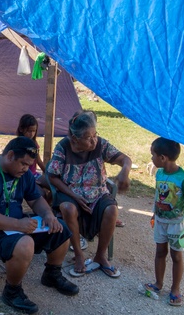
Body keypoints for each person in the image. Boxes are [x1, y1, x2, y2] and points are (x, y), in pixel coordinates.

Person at [0, 136, 78, 314]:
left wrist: (48, 214)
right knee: (25, 244)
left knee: (60, 228)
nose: (26, 169)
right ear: (10, 155)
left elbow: (35, 199)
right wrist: (18, 225)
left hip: (15, 224)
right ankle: (12, 291)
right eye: (23, 164)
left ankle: (52, 274)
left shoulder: (22, 173)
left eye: (29, 165)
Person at [46, 111, 132, 278]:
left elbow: (125, 159)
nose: (94, 140)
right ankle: (79, 254)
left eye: (95, 135)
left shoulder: (100, 145)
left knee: (112, 210)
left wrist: (125, 171)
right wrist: (73, 194)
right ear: (75, 139)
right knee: (68, 209)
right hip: (71, 192)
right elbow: (52, 176)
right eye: (88, 137)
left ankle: (100, 256)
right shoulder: (63, 147)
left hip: (97, 192)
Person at [142, 137, 184, 306]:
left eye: (153, 155)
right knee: (160, 252)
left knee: (176, 256)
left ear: (163, 158)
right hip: (160, 221)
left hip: (177, 224)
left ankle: (175, 289)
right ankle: (158, 284)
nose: (151, 158)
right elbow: (158, 195)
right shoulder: (159, 173)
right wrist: (154, 213)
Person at [16, 114, 52, 205]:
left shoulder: (34, 144)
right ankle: (41, 212)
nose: (31, 134)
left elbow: (39, 161)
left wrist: (49, 174)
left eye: (34, 131)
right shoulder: (18, 145)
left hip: (35, 174)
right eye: (29, 131)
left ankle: (49, 209)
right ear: (21, 129)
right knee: (41, 194)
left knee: (54, 186)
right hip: (25, 177)